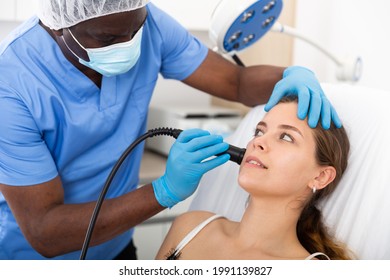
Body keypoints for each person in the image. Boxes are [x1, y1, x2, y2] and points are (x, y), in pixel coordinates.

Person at [0, 0, 340, 260]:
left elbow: (236, 82)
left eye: (136, 30)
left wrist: (290, 74)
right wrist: (163, 191)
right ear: (60, 27)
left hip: (116, 246)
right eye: (109, 37)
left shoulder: (144, 23)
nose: (130, 43)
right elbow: (44, 231)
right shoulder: (11, 83)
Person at [156, 96, 353, 260]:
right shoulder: (189, 228)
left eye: (286, 137)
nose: (258, 141)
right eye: (259, 131)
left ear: (320, 176)